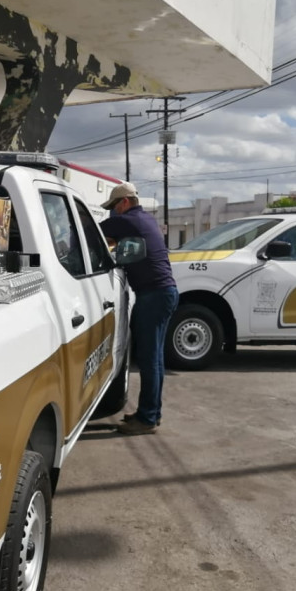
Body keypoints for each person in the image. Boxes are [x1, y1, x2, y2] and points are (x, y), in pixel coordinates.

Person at [99, 182, 178, 435]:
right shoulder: (145, 220)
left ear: (124, 202)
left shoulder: (128, 220)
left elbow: (90, 234)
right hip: (164, 293)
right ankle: (151, 413)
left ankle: (147, 418)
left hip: (153, 296)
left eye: (114, 207)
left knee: (148, 359)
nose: (114, 212)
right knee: (154, 359)